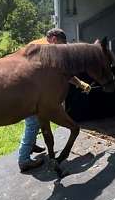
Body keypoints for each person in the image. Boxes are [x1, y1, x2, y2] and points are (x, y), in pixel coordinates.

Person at [18, 28, 92, 172]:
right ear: (52, 38)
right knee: (33, 123)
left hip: (31, 92)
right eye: (61, 43)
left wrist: (80, 83)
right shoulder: (45, 49)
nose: (62, 47)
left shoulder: (39, 45)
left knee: (36, 123)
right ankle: (23, 159)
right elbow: (63, 71)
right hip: (32, 95)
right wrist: (80, 83)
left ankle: (30, 145)